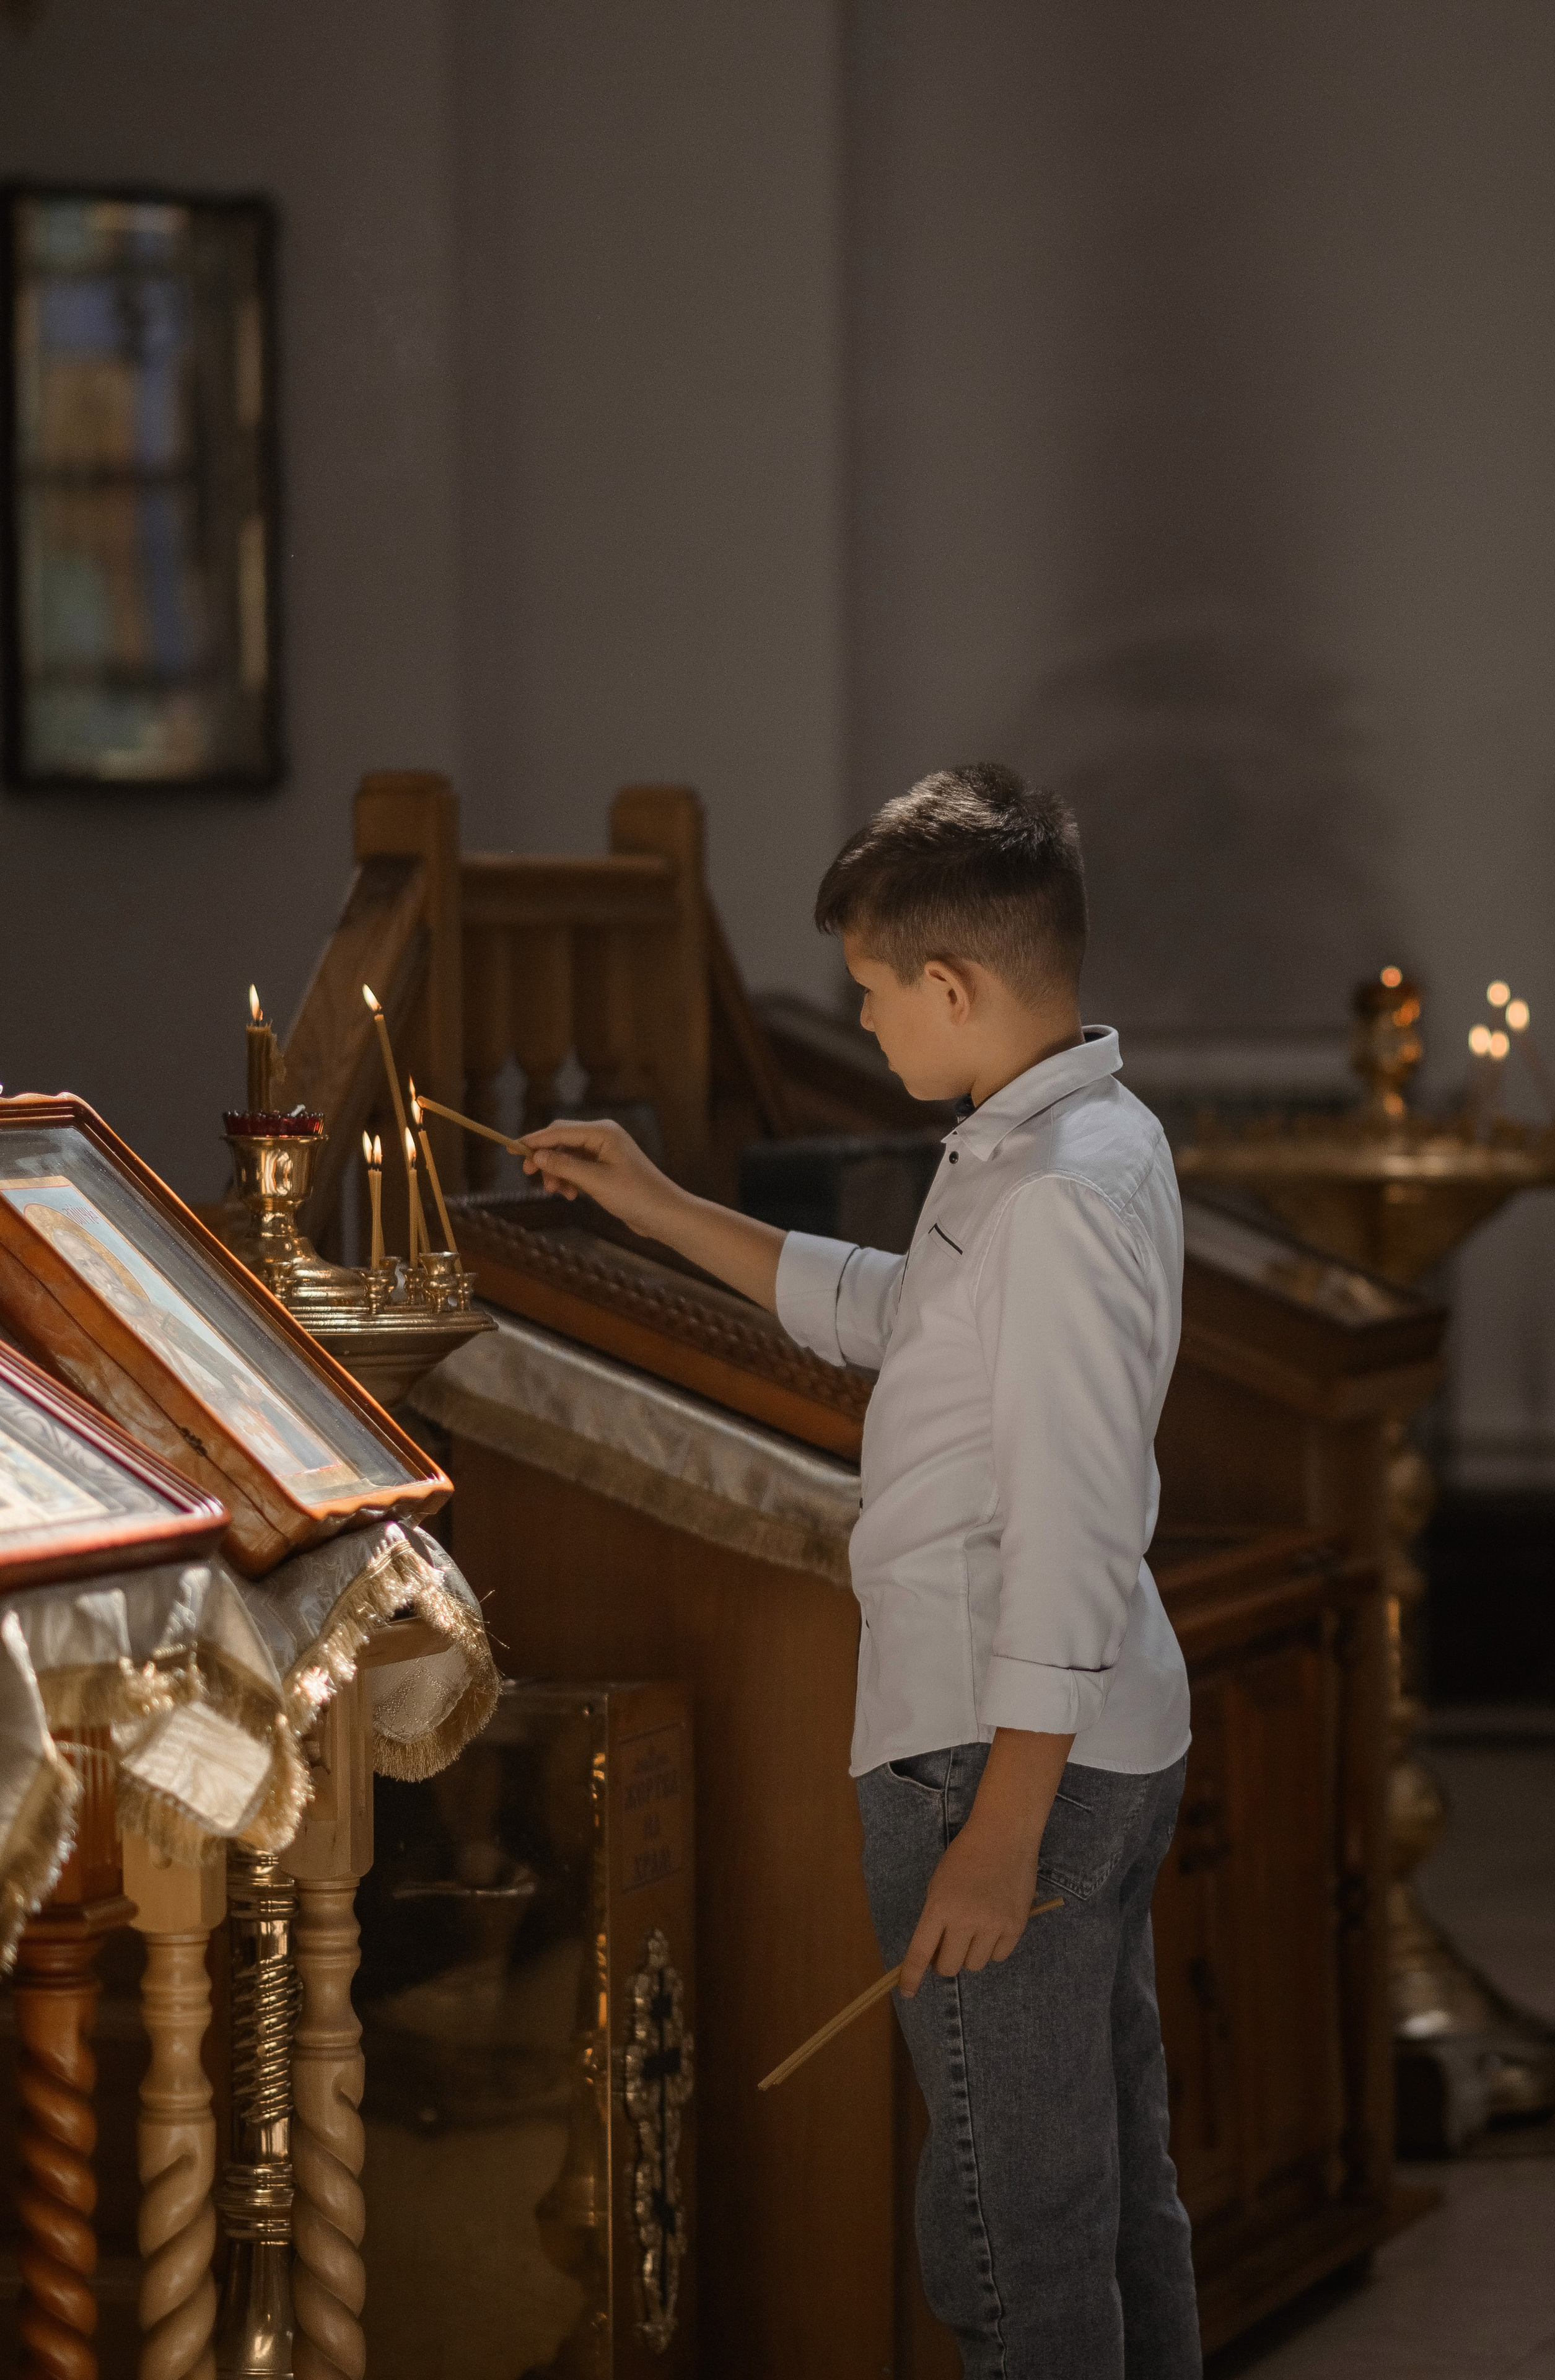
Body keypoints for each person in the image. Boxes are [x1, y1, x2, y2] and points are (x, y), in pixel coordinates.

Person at [520, 763, 1201, 2379]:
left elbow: (1073, 1522)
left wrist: (999, 1833)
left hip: (1001, 1749)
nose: (874, 1022)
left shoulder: (1053, 1201)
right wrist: (658, 1204)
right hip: (1076, 1739)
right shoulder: (1068, 1135)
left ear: (955, 985)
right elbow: (901, 1316)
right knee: (1102, 2201)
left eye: (878, 994)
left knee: (1009, 2234)